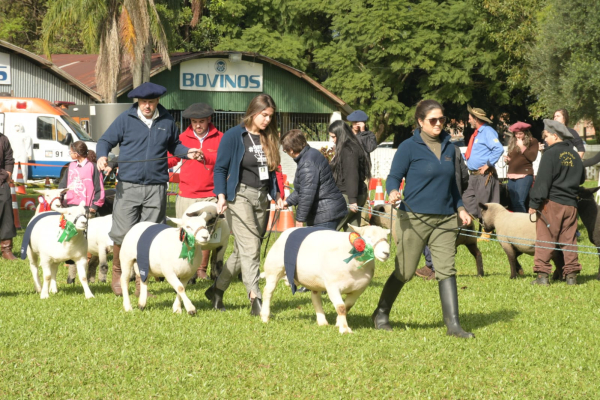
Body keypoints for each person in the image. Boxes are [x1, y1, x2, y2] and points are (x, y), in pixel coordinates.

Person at [371, 99, 474, 339]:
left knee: (446, 269)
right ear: (420, 121)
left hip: (446, 220)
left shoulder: (451, 147)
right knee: (405, 272)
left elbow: (454, 186)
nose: (439, 124)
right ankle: (381, 313)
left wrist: (460, 208)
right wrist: (393, 191)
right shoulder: (409, 147)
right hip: (413, 218)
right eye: (433, 120)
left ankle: (454, 326)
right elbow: (393, 177)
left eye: (442, 119)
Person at [96, 82, 202, 297]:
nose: (147, 106)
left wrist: (187, 152)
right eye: (144, 102)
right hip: (128, 185)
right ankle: (117, 275)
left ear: (157, 101)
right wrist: (102, 156)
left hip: (156, 186)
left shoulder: (167, 120)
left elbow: (175, 145)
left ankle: (140, 284)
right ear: (138, 102)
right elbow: (105, 140)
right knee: (122, 233)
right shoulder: (126, 119)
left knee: (149, 235)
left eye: (151, 102)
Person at [205, 94, 283, 316]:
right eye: (263, 115)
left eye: (270, 116)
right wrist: (221, 196)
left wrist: (277, 195)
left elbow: (273, 170)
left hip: (262, 198)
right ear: (253, 111)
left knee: (243, 251)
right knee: (251, 248)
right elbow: (220, 168)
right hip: (239, 196)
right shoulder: (233, 136)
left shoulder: (269, 137)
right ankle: (255, 298)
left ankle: (217, 290)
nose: (267, 120)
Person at [167, 103, 223, 281]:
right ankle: (186, 269)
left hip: (210, 194)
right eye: (193, 122)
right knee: (185, 233)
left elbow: (223, 161)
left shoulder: (220, 138)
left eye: (201, 121)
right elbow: (171, 159)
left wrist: (205, 157)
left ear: (209, 120)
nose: (197, 125)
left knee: (207, 234)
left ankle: (202, 269)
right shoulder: (181, 138)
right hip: (186, 194)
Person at [528, 119, 585, 286]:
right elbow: (581, 179)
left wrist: (533, 203)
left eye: (546, 136)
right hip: (571, 204)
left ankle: (542, 276)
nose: (545, 139)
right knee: (569, 241)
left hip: (552, 204)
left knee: (545, 238)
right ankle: (572, 276)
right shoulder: (575, 155)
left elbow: (542, 182)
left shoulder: (550, 154)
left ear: (555, 136)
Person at [415, 132, 469, 281]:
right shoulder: (455, 149)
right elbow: (465, 176)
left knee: (431, 234)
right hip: (451, 198)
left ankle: (433, 267)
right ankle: (432, 266)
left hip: (439, 199)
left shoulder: (430, 149)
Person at [59, 141, 106, 284]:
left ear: (77, 153)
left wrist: (95, 206)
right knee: (71, 240)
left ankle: (95, 276)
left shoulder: (92, 167)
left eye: (71, 151)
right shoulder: (70, 167)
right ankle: (71, 276)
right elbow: (62, 186)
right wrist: (62, 199)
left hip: (87, 209)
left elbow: (99, 188)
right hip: (72, 209)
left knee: (90, 244)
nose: (69, 153)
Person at [281, 129, 347, 229]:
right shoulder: (311, 154)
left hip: (325, 214)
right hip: (326, 210)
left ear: (291, 150)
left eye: (285, 150)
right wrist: (288, 202)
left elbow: (307, 194)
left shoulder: (307, 163)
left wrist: (300, 219)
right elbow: (303, 189)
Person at [462, 105, 504, 234]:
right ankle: (477, 224)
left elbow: (499, 148)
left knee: (484, 203)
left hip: (484, 174)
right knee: (466, 198)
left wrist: (488, 164)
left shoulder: (487, 131)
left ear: (476, 118)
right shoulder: (477, 133)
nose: (468, 120)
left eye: (470, 118)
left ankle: (487, 231)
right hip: (473, 175)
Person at [328, 120, 371, 231]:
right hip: (357, 195)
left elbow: (351, 175)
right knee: (352, 233)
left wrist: (352, 200)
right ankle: (355, 249)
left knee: (330, 231)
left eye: (333, 137)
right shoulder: (353, 145)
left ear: (340, 134)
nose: (333, 140)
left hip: (348, 196)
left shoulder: (348, 150)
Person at [503, 122, 539, 213]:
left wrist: (522, 146)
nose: (518, 136)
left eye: (520, 134)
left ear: (526, 133)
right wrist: (508, 160)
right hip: (511, 175)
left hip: (525, 175)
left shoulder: (532, 141)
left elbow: (532, 157)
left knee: (520, 202)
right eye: (516, 134)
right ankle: (516, 225)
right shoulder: (513, 142)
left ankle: (523, 225)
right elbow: (514, 159)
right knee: (513, 203)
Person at [0, 130, 16, 260]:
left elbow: (9, 159)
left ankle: (6, 249)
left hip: (1, 181)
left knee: (6, 212)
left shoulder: (3, 139)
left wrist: (8, 175)